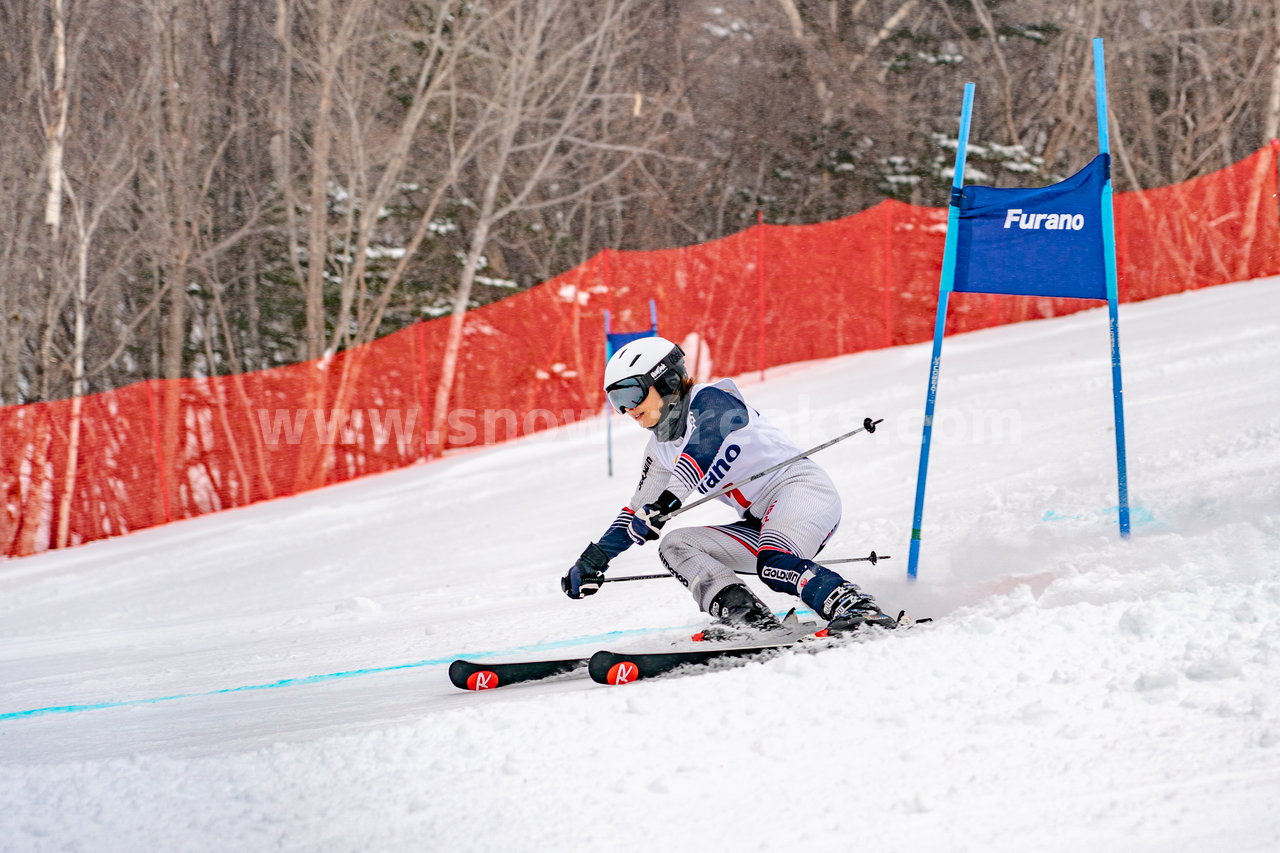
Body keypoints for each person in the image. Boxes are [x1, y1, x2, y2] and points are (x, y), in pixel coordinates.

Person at [561, 336, 894, 632]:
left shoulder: (713, 400)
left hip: (801, 491)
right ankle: (747, 618)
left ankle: (856, 607)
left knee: (774, 563)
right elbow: (635, 512)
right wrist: (592, 561)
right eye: (616, 400)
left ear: (665, 381)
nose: (627, 408)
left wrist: (665, 504)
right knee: (676, 545)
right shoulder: (660, 449)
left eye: (631, 392)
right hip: (758, 521)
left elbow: (702, 447)